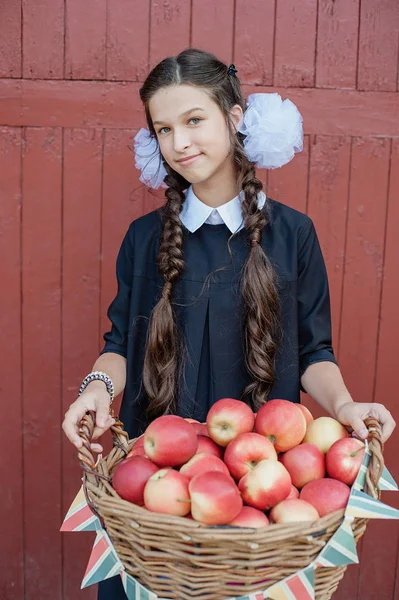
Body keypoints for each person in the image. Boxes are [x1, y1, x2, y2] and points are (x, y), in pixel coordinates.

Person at [62, 48, 396, 600]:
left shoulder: (293, 235)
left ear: (235, 118)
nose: (180, 143)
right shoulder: (145, 239)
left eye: (195, 120)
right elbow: (120, 343)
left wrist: (344, 408)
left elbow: (315, 352)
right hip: (155, 498)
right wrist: (95, 389)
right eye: (163, 128)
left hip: (259, 500)